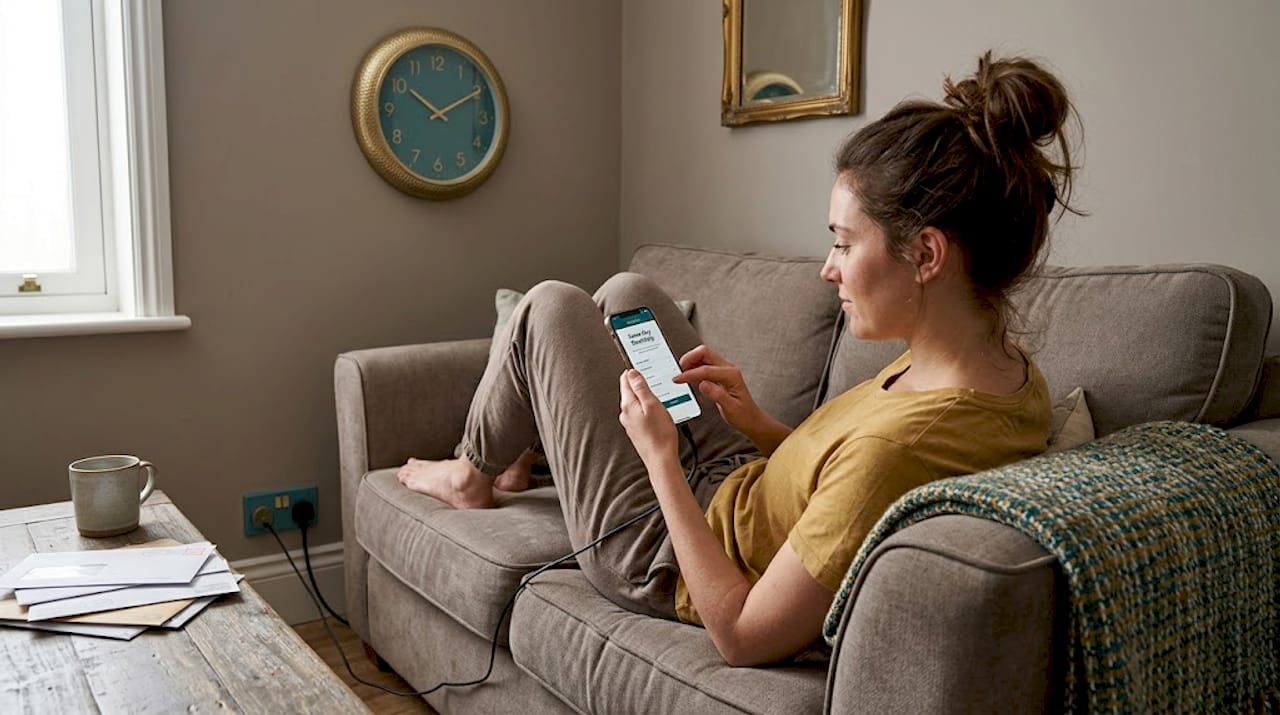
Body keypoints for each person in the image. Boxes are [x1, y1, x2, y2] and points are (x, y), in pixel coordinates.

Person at [397, 50, 1077, 666]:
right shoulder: (1005, 378)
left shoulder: (900, 451)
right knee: (626, 294)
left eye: (843, 242)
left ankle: (471, 471)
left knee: (546, 307)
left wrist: (662, 456)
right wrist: (756, 423)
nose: (827, 270)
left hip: (663, 551)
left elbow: (744, 632)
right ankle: (521, 445)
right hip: (736, 481)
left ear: (926, 254)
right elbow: (835, 479)